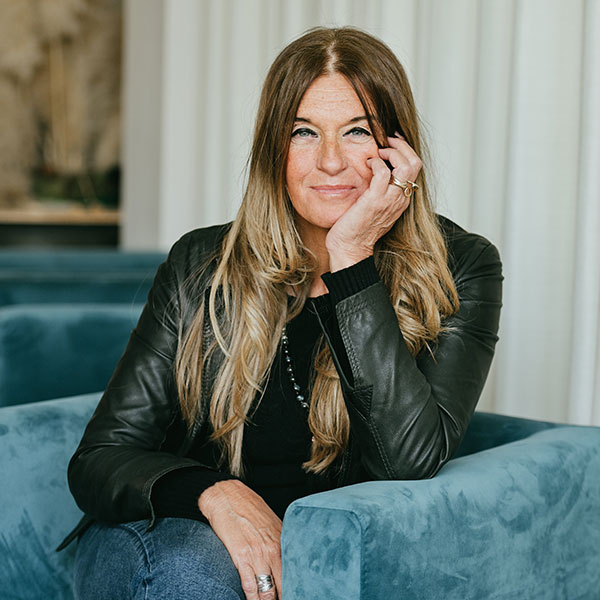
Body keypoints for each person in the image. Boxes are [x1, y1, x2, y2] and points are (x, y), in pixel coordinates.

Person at [63, 26, 502, 600]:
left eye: (357, 131)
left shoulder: (461, 267)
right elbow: (100, 458)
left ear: (398, 152)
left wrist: (352, 259)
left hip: (324, 564)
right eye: (303, 132)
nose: (330, 161)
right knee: (194, 574)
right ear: (275, 148)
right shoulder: (202, 263)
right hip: (173, 537)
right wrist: (214, 493)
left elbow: (409, 462)